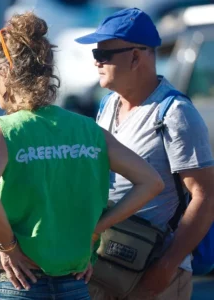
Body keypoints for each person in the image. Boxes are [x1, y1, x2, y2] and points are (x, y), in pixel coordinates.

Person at [0, 12, 164, 300]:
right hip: (73, 283)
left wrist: (9, 247)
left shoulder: (3, 130)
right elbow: (151, 182)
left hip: (17, 282)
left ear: (4, 74)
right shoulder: (88, 130)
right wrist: (96, 229)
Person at [75, 7, 214, 300]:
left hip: (154, 276)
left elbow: (206, 195)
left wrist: (167, 265)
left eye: (105, 55)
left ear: (136, 57)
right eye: (95, 55)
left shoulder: (176, 113)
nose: (97, 63)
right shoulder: (108, 105)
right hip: (109, 264)